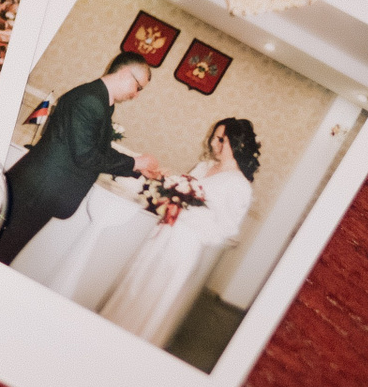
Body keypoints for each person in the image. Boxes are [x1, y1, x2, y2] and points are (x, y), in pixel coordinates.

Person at [0, 52, 162, 264]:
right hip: (37, 190)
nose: (136, 95)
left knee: (1, 253)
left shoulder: (102, 102)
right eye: (138, 87)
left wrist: (136, 167)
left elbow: (99, 150)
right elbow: (86, 156)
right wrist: (135, 162)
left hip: (43, 192)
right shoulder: (90, 100)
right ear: (125, 74)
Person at [100, 118, 259, 345]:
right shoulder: (203, 167)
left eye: (220, 139)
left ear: (236, 143)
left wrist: (189, 214)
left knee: (157, 293)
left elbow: (226, 230)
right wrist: (164, 185)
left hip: (186, 244)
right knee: (139, 282)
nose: (213, 143)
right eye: (214, 137)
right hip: (164, 232)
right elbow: (177, 194)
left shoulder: (239, 185)